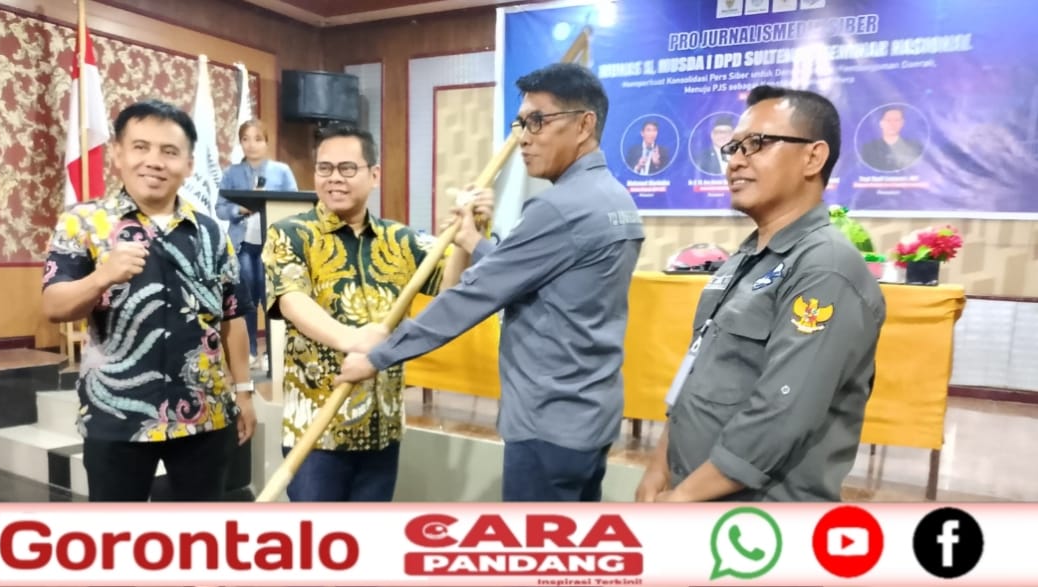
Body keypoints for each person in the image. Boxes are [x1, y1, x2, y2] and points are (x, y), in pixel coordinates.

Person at [336, 62, 646, 502]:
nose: (524, 137)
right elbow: (533, 275)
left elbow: (472, 297)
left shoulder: (558, 209)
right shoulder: (615, 200)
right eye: (521, 123)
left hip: (548, 422)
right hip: (591, 416)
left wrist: (377, 356)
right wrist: (473, 242)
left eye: (538, 121)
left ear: (584, 125)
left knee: (534, 546)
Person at [635, 85, 886, 503]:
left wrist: (681, 499)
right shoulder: (747, 257)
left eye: (757, 144)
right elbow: (696, 373)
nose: (735, 161)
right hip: (694, 496)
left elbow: (781, 414)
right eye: (733, 147)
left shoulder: (825, 267)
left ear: (813, 157)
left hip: (756, 518)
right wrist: (659, 468)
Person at [41, 99, 257, 501]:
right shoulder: (83, 222)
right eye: (141, 147)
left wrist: (244, 392)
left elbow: (232, 317)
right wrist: (102, 276)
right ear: (118, 154)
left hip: (204, 415)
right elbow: (54, 306)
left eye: (169, 151)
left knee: (201, 532)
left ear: (188, 165)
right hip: (116, 414)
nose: (154, 161)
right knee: (117, 532)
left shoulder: (211, 232)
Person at [262, 124, 492, 502]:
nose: (334, 178)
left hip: (382, 430)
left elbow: (449, 292)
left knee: (368, 536)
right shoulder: (289, 235)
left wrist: (468, 236)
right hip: (318, 431)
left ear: (374, 175)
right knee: (318, 537)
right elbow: (291, 299)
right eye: (325, 168)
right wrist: (356, 340)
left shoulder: (401, 240)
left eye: (347, 168)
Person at [215, 119, 298, 368]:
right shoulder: (232, 173)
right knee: (247, 299)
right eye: (246, 139)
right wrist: (240, 209)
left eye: (258, 139)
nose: (251, 144)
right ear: (240, 143)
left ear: (266, 142)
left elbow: (295, 206)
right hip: (243, 245)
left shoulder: (281, 171)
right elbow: (220, 209)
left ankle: (273, 354)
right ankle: (250, 351)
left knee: (271, 297)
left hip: (272, 244)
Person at [858, 106, 924, 172]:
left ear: (902, 123)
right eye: (888, 120)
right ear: (881, 123)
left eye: (896, 120)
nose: (892, 124)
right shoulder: (868, 149)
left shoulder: (914, 147)